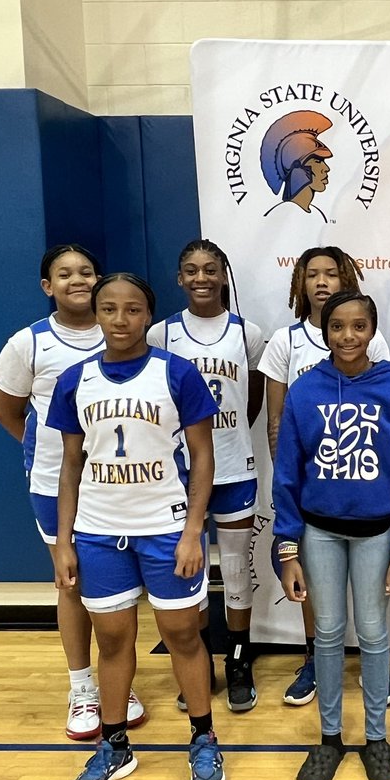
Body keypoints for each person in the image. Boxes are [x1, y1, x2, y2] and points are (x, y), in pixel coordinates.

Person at [49, 273, 225, 780]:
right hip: (99, 530)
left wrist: (194, 530)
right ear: (97, 315)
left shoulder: (177, 373)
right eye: (108, 309)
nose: (119, 320)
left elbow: (203, 458)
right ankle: (115, 744)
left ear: (148, 316)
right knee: (113, 641)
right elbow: (69, 468)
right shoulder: (75, 380)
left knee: (183, 636)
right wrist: (64, 541)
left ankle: (202, 736)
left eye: (131, 310)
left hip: (166, 527)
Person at [0, 245, 146, 741]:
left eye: (85, 272)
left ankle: (117, 683)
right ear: (47, 286)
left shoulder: (122, 332)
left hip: (121, 486)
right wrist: (51, 456)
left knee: (119, 588)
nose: (76, 280)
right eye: (64, 274)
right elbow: (8, 412)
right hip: (56, 485)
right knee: (73, 584)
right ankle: (82, 687)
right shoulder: (28, 344)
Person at [273, 291, 390, 780]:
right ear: (324, 330)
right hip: (319, 531)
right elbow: (288, 474)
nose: (348, 337)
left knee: (375, 633)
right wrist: (287, 547)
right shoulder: (304, 390)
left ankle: (377, 737)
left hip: (376, 533)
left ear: (373, 331)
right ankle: (331, 737)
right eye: (337, 327)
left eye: (359, 327)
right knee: (330, 633)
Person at [258, 246, 390, 706]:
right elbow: (276, 421)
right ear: (300, 283)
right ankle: (316, 658)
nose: (321, 282)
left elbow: (388, 423)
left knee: (371, 603)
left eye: (331, 274)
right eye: (312, 274)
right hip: (312, 491)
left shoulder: (371, 341)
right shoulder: (285, 341)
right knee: (314, 587)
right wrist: (290, 485)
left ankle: (376, 668)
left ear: (346, 280)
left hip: (365, 487)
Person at [149, 239, 265, 712]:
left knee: (236, 570)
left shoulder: (248, 333)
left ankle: (239, 658)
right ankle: (198, 661)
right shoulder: (161, 335)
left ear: (223, 276)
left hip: (234, 465)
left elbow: (253, 399)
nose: (201, 278)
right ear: (179, 278)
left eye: (210, 270)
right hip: (179, 473)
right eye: (191, 270)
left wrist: (228, 437)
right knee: (189, 570)